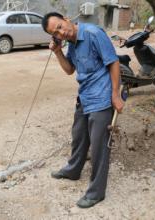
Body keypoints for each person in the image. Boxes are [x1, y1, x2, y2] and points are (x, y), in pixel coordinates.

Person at [41, 12, 124, 208]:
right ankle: (73, 170)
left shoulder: (93, 33)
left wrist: (115, 94)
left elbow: (113, 62)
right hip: (85, 95)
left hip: (102, 96)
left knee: (99, 146)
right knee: (78, 135)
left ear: (67, 19)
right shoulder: (70, 43)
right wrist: (58, 51)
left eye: (60, 26)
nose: (62, 32)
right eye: (56, 33)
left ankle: (96, 192)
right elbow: (70, 70)